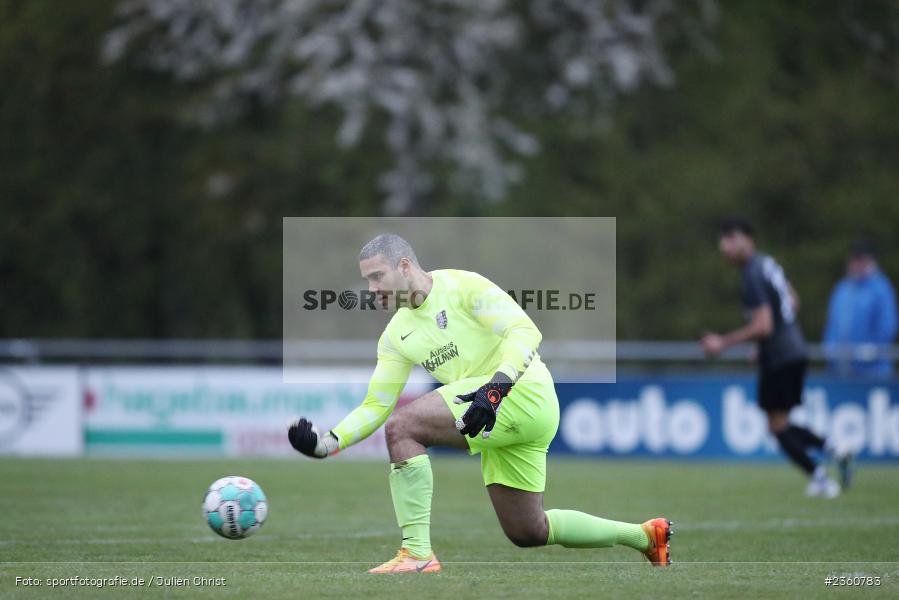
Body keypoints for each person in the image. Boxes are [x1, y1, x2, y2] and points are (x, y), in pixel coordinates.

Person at [288, 233, 672, 573]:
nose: (372, 289)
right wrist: (327, 443)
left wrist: (496, 389)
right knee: (528, 531)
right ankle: (645, 537)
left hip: (522, 393)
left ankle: (417, 554)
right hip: (489, 413)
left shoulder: (462, 286)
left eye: (377, 277)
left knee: (403, 428)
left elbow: (524, 330)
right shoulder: (394, 336)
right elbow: (376, 404)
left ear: (404, 266)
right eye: (367, 280)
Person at [700, 217, 849, 497]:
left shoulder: (751, 275)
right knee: (781, 423)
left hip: (780, 357)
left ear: (748, 239)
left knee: (777, 427)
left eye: (731, 237)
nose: (725, 245)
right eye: (723, 239)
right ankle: (833, 447)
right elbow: (792, 300)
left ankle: (821, 479)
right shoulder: (767, 264)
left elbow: (764, 325)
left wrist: (723, 342)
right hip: (794, 350)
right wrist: (767, 342)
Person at [823, 240, 898, 377]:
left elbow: (887, 325)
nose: (856, 264)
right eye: (854, 260)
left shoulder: (881, 288)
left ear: (870, 261)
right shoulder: (843, 288)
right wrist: (830, 351)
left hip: (874, 372)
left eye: (861, 260)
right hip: (840, 370)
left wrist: (871, 351)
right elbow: (832, 324)